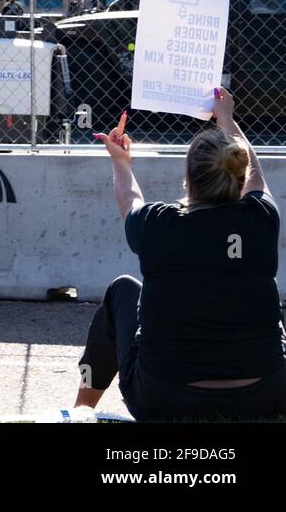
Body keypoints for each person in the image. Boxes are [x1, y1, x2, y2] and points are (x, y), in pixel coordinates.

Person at [75, 92, 286, 420]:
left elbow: (130, 200)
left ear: (188, 178)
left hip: (164, 398)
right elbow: (256, 178)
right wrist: (227, 119)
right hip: (266, 396)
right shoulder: (260, 219)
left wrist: (119, 160)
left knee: (122, 290)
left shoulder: (158, 222)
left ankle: (82, 409)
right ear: (240, 176)